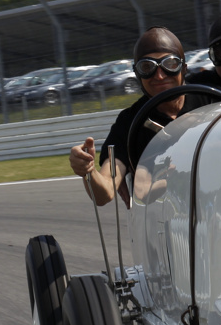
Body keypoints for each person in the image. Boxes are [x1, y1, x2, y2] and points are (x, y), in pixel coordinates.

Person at [69, 26, 199, 206]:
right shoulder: (129, 122)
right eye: (148, 67)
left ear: (184, 68)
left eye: (170, 64)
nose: (160, 76)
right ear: (138, 74)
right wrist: (88, 172)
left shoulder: (211, 98)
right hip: (162, 222)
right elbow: (104, 192)